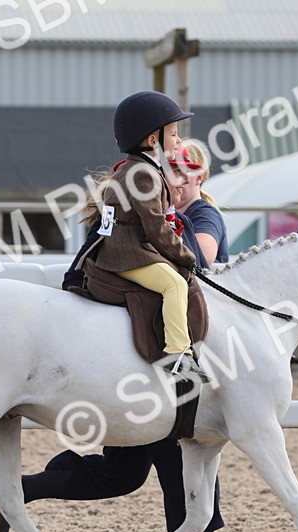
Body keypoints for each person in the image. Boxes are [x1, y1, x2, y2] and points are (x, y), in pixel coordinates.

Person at [0, 145, 231, 532]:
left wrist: (160, 223)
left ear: (201, 179)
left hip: (163, 348)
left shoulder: (202, 215)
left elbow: (203, 260)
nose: (177, 182)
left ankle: (26, 489)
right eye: (171, 173)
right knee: (150, 464)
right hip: (145, 356)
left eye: (186, 175)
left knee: (135, 469)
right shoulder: (145, 208)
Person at [89, 90, 205, 380]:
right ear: (154, 140)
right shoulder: (143, 174)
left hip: (125, 247)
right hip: (126, 253)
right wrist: (187, 256)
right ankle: (178, 355)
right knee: (174, 285)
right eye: (175, 134)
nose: (179, 141)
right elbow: (156, 228)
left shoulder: (140, 169)